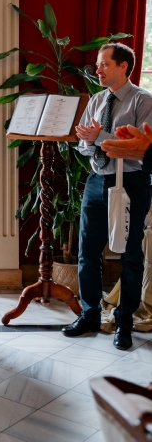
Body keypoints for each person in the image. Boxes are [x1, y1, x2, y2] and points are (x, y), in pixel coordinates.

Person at [65, 42, 152, 349]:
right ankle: (89, 315)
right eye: (98, 64)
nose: (97, 69)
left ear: (123, 66)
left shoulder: (143, 100)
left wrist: (99, 137)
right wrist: (89, 142)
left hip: (132, 182)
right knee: (87, 252)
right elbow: (83, 146)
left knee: (130, 255)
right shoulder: (97, 99)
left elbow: (141, 147)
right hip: (96, 181)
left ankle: (124, 323)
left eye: (104, 64)